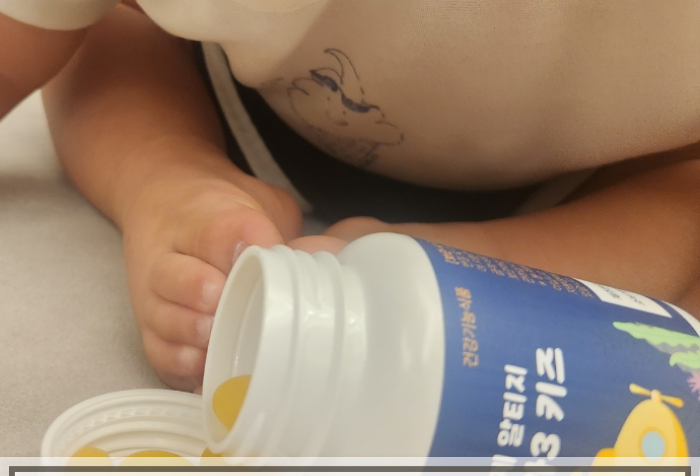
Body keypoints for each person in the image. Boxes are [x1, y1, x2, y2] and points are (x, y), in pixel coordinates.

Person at [4, 0, 700, 392]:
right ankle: (174, 178)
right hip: (234, 95)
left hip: (611, 167)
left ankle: (479, 268)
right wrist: (160, 171)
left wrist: (468, 270)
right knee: (111, 29)